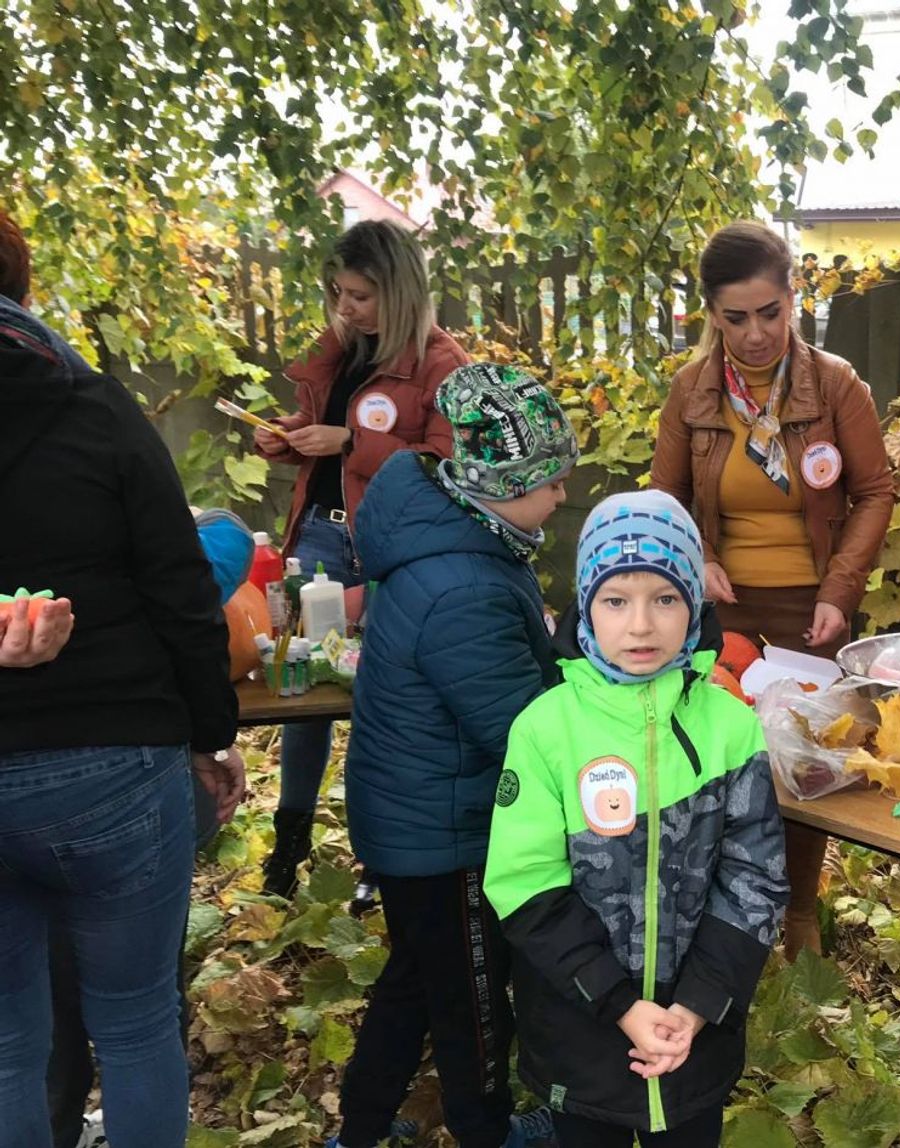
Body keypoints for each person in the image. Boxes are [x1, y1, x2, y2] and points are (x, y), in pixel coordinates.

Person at [0, 208, 246, 1148]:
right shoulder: (92, 405)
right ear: (21, 285)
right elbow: (182, 588)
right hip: (115, 761)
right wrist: (211, 736)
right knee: (137, 1023)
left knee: (7, 1045)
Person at [485, 491, 788, 1148]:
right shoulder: (544, 730)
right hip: (583, 1034)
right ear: (586, 605)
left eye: (666, 598)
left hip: (693, 1041)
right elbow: (524, 883)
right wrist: (618, 1004)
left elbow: (755, 877)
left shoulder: (732, 727)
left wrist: (698, 1004)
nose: (642, 625)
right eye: (617, 600)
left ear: (695, 603)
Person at [325, 365, 576, 1148]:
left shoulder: (456, 536)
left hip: (414, 816)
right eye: (551, 480)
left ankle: (360, 1130)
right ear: (503, 484)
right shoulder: (463, 586)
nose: (562, 494)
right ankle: (487, 1130)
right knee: (474, 1000)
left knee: (415, 979)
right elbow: (523, 729)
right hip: (447, 833)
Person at [649, 220, 893, 960]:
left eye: (770, 312)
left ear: (793, 300)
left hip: (810, 612)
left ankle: (800, 915)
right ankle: (721, 912)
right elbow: (664, 499)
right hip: (719, 612)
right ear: (711, 315)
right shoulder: (691, 391)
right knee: (717, 763)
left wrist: (839, 590)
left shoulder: (836, 385)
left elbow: (875, 492)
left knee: (805, 765)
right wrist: (696, 559)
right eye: (736, 318)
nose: (755, 334)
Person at [251, 219, 469, 898]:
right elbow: (326, 432)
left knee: (385, 700)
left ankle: (381, 857)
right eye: (338, 294)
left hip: (389, 549)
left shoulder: (442, 365)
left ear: (400, 291)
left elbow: (445, 462)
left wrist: (349, 442)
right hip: (320, 536)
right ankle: (289, 840)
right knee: (306, 693)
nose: (345, 308)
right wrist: (291, 437)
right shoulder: (340, 352)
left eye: (361, 296)